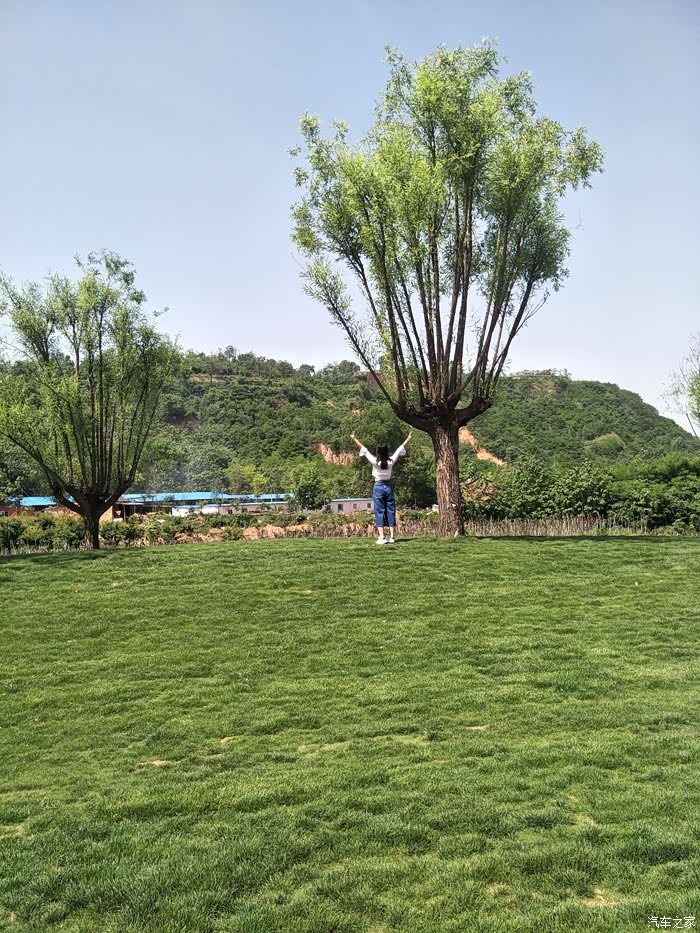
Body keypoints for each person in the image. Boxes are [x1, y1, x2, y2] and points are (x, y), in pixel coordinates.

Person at [350, 430, 413, 544]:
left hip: (378, 486)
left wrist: (354, 438)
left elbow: (364, 449)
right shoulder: (391, 461)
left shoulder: (375, 461)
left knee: (379, 511)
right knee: (391, 510)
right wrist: (408, 439)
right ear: (387, 452)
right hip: (388, 486)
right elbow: (400, 449)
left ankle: (382, 537)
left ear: (378, 452)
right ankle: (392, 537)